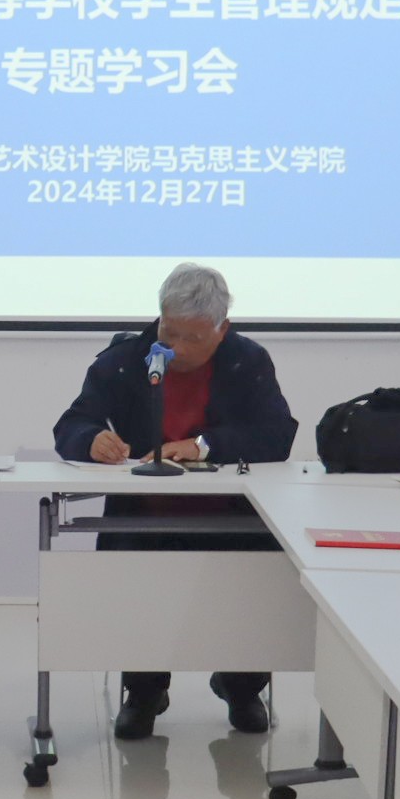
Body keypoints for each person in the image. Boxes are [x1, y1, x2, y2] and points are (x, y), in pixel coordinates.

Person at [50, 263, 299, 738]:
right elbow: (72, 424)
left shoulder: (248, 361)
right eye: (169, 332)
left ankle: (241, 687)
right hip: (144, 515)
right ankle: (144, 693)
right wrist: (91, 440)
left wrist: (205, 446)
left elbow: (276, 434)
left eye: (193, 338)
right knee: (140, 594)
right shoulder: (126, 360)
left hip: (233, 516)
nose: (176, 348)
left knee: (251, 591)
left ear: (222, 329)